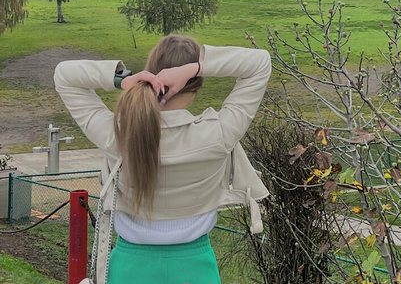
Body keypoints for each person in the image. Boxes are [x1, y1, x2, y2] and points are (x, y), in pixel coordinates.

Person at [54, 35, 272, 284]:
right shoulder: (218, 134)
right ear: (196, 87)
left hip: (130, 268)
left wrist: (123, 79)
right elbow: (260, 63)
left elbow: (64, 76)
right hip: (195, 268)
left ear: (149, 76)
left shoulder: (117, 136)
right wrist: (196, 68)